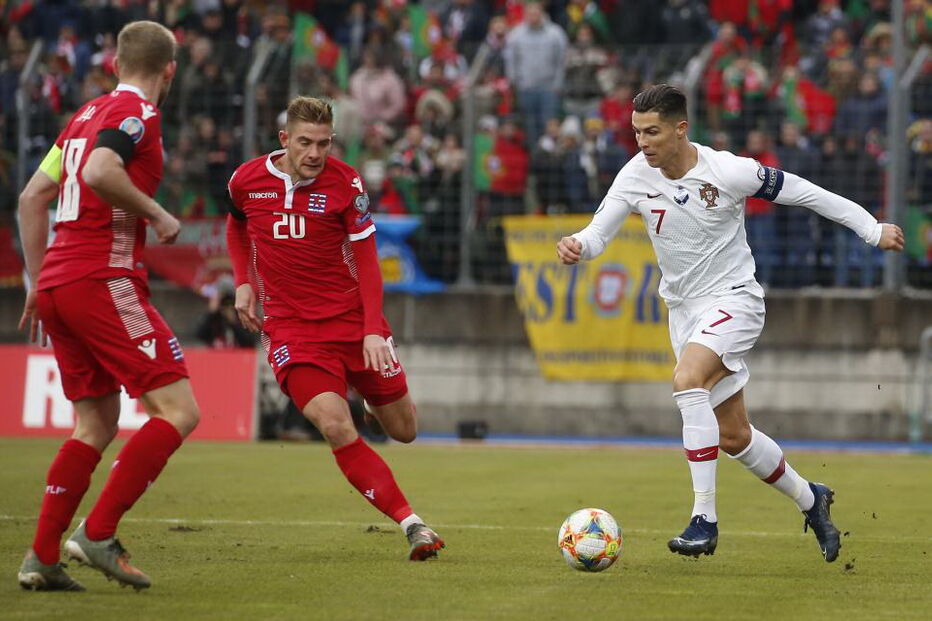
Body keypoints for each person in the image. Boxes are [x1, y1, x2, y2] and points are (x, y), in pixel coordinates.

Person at [556, 84, 904, 562]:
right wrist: (577, 245)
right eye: (637, 132)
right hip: (683, 313)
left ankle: (704, 520)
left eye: (652, 131)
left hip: (735, 300)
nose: (642, 142)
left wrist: (871, 227)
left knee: (686, 380)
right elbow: (598, 233)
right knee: (734, 435)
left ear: (681, 128)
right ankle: (812, 498)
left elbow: (807, 193)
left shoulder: (729, 170)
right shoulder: (635, 176)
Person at [16, 21, 200, 592]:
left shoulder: (79, 119)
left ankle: (41, 558)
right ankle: (97, 533)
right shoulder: (137, 116)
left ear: (115, 63)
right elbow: (101, 171)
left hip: (58, 284)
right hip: (103, 275)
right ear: (170, 70)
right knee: (179, 410)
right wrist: (158, 213)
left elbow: (31, 198)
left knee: (94, 422)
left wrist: (36, 278)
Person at [225, 96, 444, 561]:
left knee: (404, 430)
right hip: (293, 332)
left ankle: (369, 395)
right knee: (334, 424)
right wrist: (244, 283)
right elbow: (236, 224)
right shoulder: (245, 180)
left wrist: (370, 330)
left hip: (353, 323)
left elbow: (367, 261)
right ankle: (413, 524)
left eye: (324, 144)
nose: (314, 154)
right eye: (305, 142)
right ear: (284, 139)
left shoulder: (346, 184)